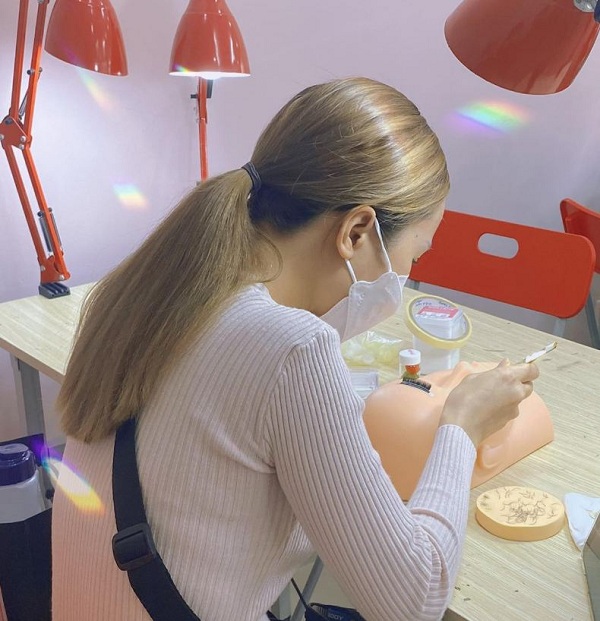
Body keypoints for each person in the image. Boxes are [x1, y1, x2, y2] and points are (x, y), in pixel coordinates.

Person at [51, 77, 539, 621]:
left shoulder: (156, 290)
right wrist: (462, 426)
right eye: (416, 256)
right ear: (356, 232)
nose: (406, 275)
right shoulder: (291, 348)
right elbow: (413, 601)